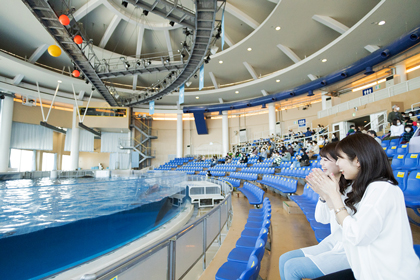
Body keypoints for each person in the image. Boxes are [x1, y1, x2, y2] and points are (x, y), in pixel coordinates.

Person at [306, 134, 420, 279]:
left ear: (357, 160)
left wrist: (334, 196)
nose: (338, 164)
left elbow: (356, 235)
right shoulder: (369, 188)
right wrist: (327, 196)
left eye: (340, 158)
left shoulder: (381, 189)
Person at [279, 143, 351, 280]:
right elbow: (321, 219)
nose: (321, 163)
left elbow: (343, 225)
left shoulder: (351, 189)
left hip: (346, 248)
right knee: (284, 259)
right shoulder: (330, 184)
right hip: (334, 240)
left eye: (326, 159)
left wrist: (332, 196)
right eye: (321, 159)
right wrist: (323, 196)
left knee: (291, 268)